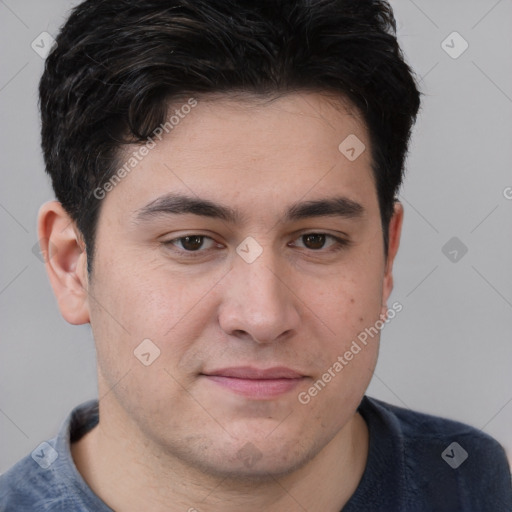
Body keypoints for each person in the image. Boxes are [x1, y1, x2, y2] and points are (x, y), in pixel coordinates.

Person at [1, 0, 510, 510]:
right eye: (192, 242)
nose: (263, 317)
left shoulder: (476, 484)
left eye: (316, 240)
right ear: (70, 266)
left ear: (387, 257)